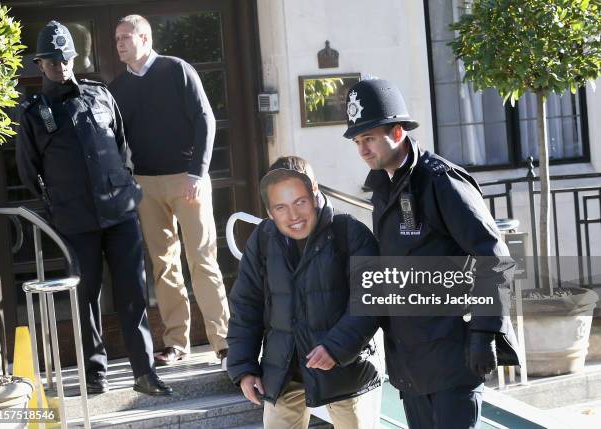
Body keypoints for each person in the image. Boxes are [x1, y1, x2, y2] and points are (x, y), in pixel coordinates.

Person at [343, 78, 521, 429]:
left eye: (370, 138)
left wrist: (485, 333)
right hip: (411, 363)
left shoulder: (442, 181)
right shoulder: (383, 188)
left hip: (454, 356)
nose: (363, 150)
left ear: (397, 131)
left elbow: (494, 257)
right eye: (358, 141)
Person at [15, 21, 172, 396]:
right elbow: (27, 170)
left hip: (119, 213)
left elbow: (120, 145)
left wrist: (123, 185)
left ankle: (144, 372)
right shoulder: (35, 112)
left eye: (65, 58)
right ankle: (93, 375)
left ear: (74, 58)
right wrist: (56, 206)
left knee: (133, 292)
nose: (60, 66)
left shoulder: (100, 95)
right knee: (84, 298)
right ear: (41, 64)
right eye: (52, 61)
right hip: (76, 220)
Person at [109, 14, 230, 367]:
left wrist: (198, 173)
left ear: (144, 38)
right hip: (147, 185)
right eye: (117, 37)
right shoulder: (118, 89)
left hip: (188, 179)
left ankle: (224, 342)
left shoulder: (177, 70)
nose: (119, 42)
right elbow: (117, 141)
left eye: (125, 36)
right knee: (163, 266)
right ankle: (177, 343)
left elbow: (205, 119)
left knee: (203, 261)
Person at [227, 165, 383, 429]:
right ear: (269, 211)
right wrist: (244, 367)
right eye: (281, 207)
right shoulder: (262, 240)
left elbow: (371, 299)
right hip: (283, 371)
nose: (293, 215)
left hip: (346, 369)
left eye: (300, 202)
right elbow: (246, 306)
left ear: (314, 194)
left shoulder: (349, 232)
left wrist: (336, 347)